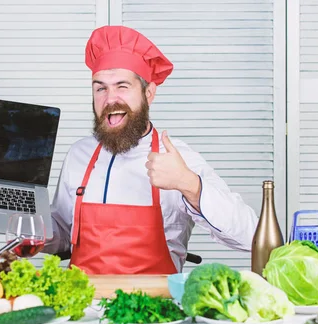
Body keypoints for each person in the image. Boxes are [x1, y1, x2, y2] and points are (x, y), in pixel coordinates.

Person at [43, 25, 258, 274]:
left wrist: (189, 184)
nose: (110, 99)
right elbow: (63, 233)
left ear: (149, 93)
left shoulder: (177, 158)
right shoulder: (78, 154)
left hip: (155, 308)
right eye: (100, 88)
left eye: (122, 86)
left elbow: (250, 235)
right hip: (81, 306)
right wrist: (19, 224)